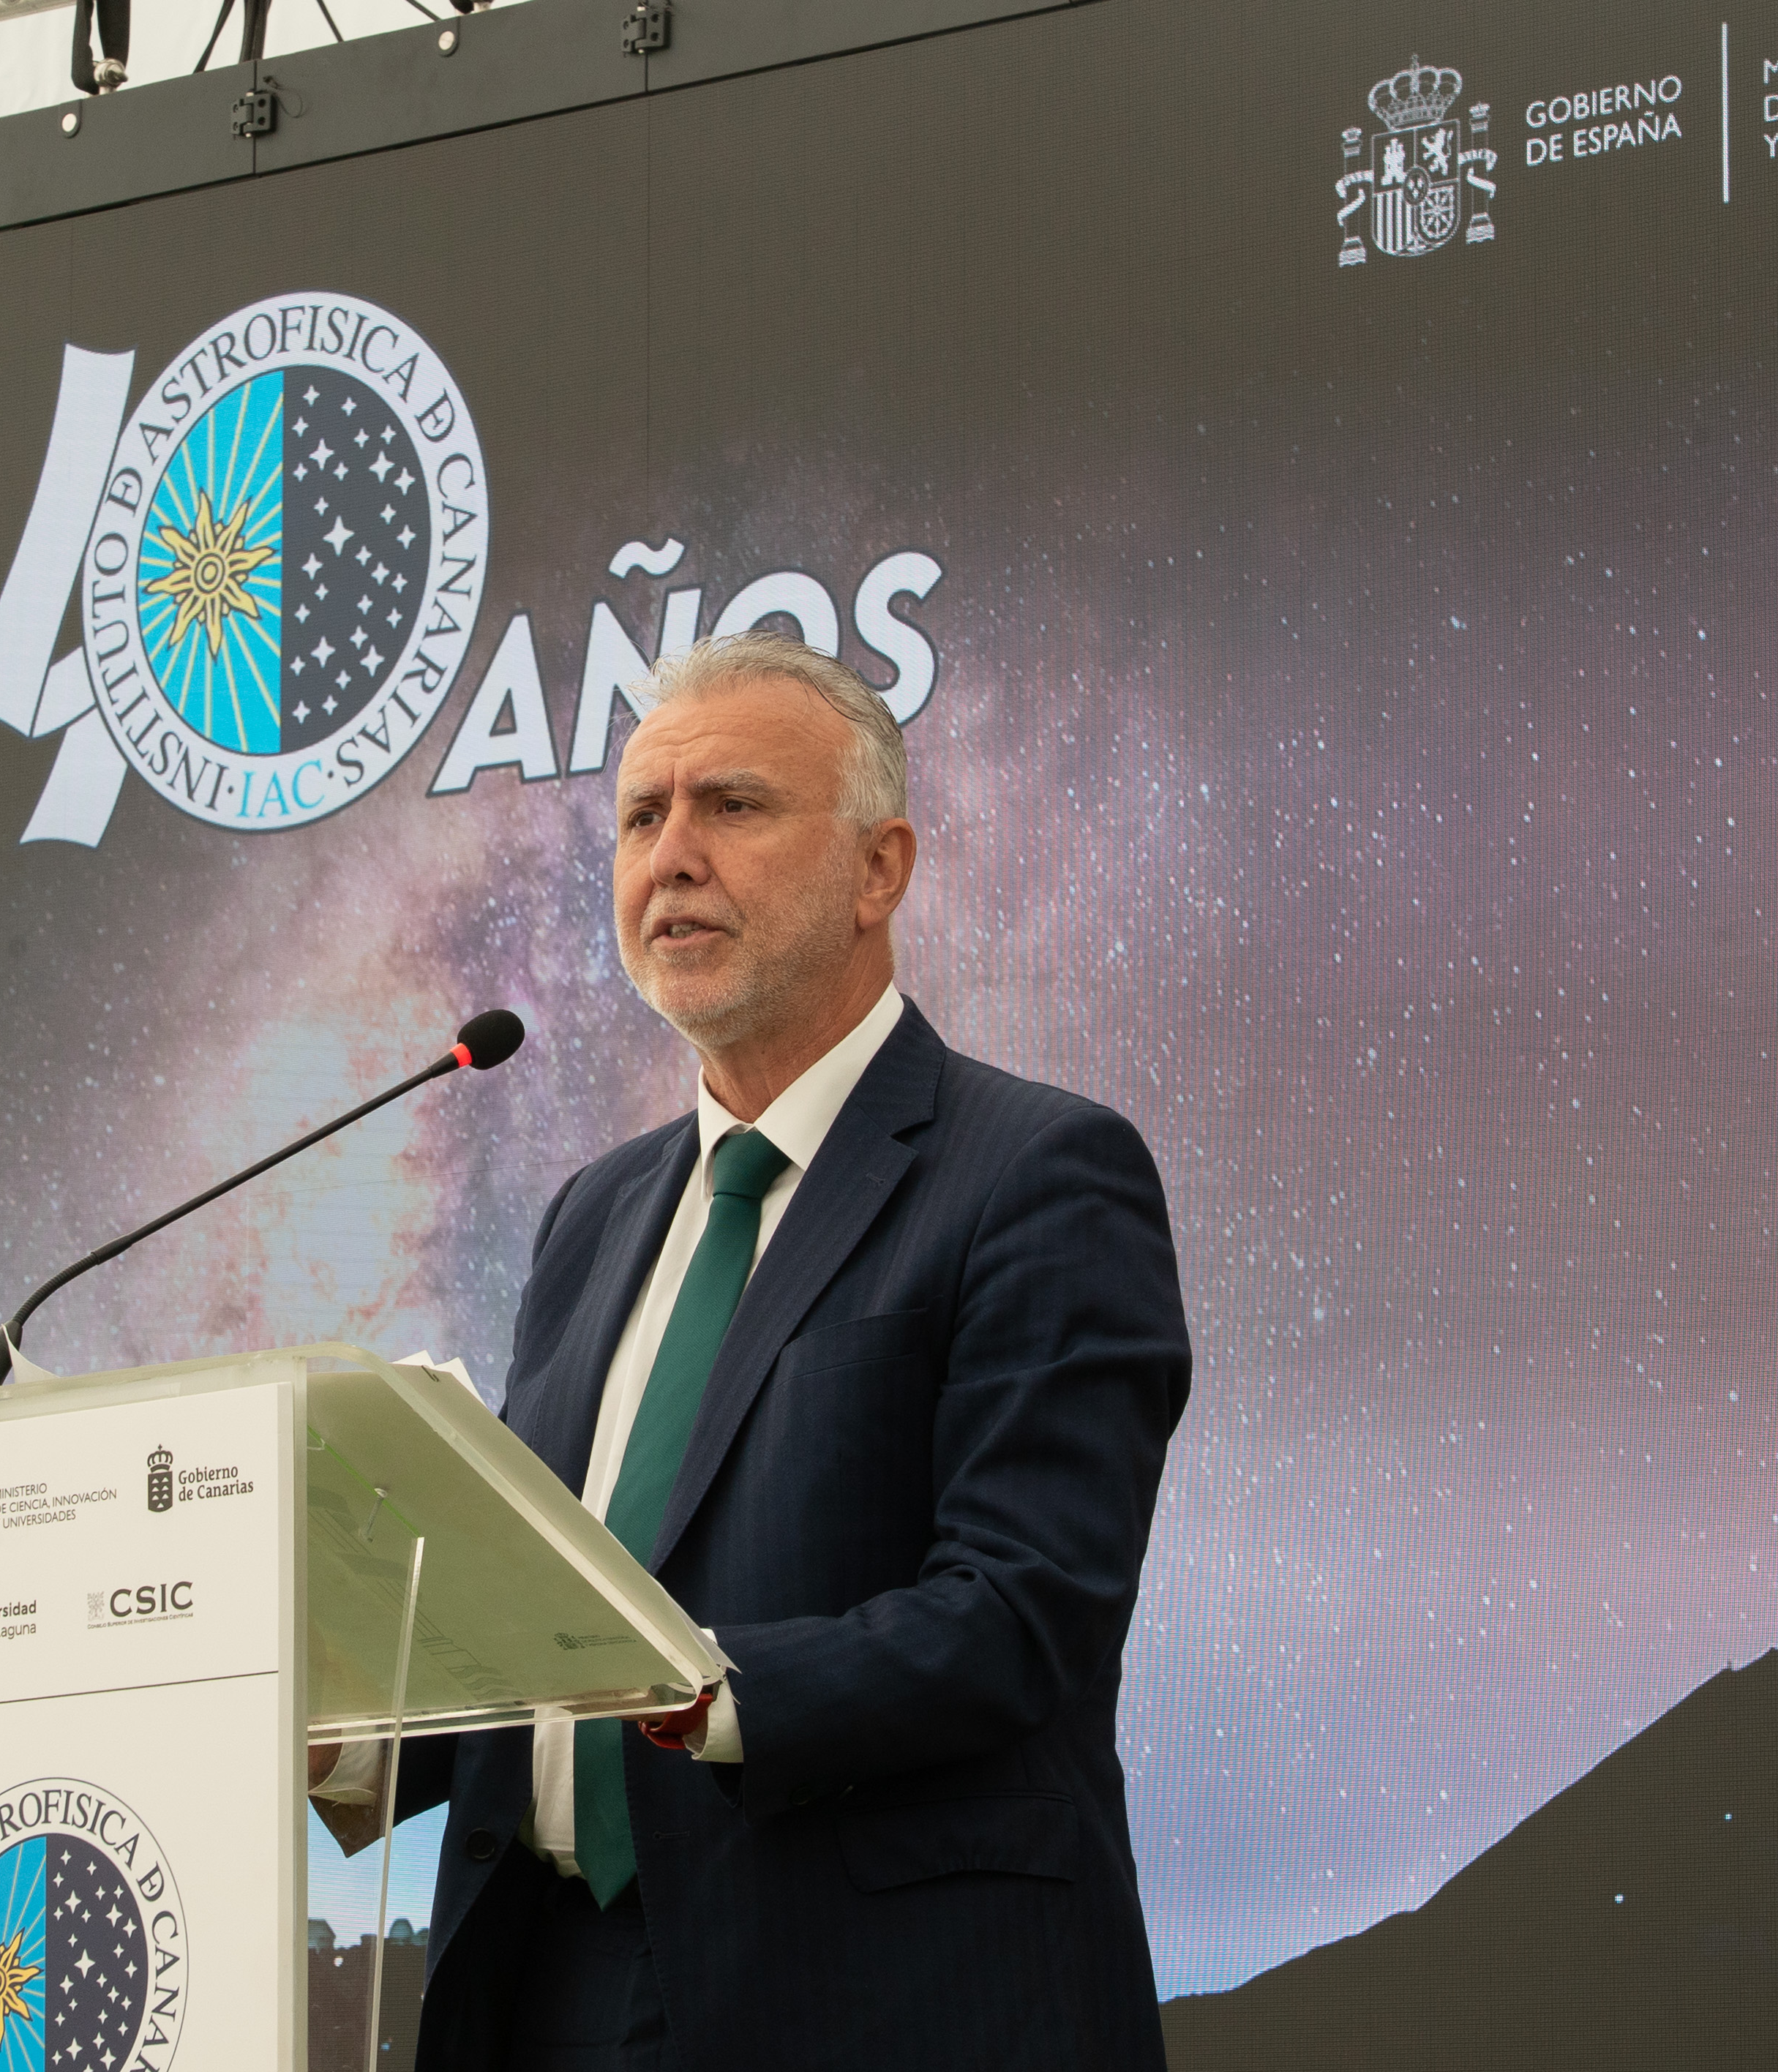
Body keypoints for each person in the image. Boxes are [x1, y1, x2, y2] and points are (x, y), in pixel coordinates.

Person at [320, 629, 1192, 2069]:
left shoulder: (1037, 1174)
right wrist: (348, 1740)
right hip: (544, 1990)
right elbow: (541, 1636)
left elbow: (1023, 1609)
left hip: (872, 1999)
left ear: (877, 869)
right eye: (639, 819)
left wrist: (709, 1689)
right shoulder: (593, 1216)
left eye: (731, 806)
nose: (671, 857)